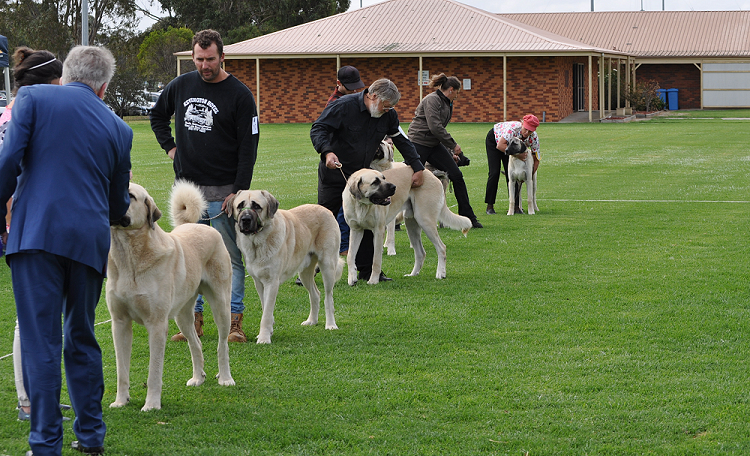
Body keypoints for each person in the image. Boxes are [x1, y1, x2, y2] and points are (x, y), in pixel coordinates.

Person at [0, 45, 132, 456]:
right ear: (104, 88)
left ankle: (45, 443)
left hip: (36, 235)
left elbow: (7, 163)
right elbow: (117, 206)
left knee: (42, 341)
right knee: (82, 336)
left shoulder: (33, 98)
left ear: (66, 74)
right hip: (89, 241)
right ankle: (91, 436)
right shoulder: (119, 128)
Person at [150, 29, 259, 343]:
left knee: (231, 260)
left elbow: (248, 146)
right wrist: (171, 148)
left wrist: (238, 191)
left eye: (210, 59)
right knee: (185, 260)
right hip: (188, 194)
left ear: (222, 56)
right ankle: (192, 324)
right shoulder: (182, 85)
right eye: (199, 59)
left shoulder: (239, 94)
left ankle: (234, 322)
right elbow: (158, 116)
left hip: (224, 194)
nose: (204, 65)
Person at [0, 47, 66, 424]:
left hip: (37, 223)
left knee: (44, 318)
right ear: (50, 81)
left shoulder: (30, 108)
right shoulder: (18, 113)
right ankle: (27, 400)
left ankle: (41, 397)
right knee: (28, 321)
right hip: (25, 224)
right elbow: (10, 169)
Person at [310, 78, 425, 283]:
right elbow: (319, 128)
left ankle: (368, 271)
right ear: (372, 96)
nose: (387, 110)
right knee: (324, 220)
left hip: (364, 176)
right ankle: (309, 271)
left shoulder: (387, 115)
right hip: (334, 172)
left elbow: (400, 139)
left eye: (391, 107)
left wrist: (417, 167)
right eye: (385, 105)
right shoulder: (343, 106)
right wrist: (327, 152)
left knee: (368, 220)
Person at [407, 73, 483, 228]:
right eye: (457, 93)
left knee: (456, 175)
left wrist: (449, 149)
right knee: (410, 180)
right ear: (452, 90)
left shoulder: (446, 102)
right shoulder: (432, 100)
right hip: (419, 142)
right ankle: (394, 219)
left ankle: (468, 218)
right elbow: (435, 127)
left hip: (433, 144)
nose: (457, 96)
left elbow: (438, 130)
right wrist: (453, 145)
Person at [485, 114, 541, 215]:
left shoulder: (533, 137)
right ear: (522, 124)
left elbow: (536, 157)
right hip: (496, 142)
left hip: (512, 149)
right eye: (526, 129)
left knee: (510, 174)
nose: (527, 133)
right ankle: (490, 206)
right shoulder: (513, 130)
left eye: (530, 131)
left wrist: (530, 174)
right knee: (494, 172)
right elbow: (500, 145)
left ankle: (516, 207)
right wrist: (519, 155)